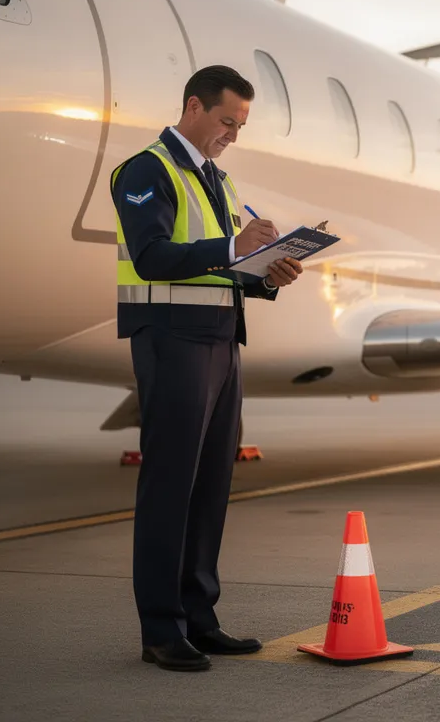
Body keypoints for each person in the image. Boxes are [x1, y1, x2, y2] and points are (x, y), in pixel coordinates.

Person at [110, 64, 303, 672]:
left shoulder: (219, 180)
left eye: (241, 125)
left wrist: (268, 271)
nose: (232, 134)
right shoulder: (145, 170)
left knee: (210, 489)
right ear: (193, 107)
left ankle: (200, 619)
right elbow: (151, 257)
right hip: (170, 340)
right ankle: (161, 631)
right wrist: (235, 248)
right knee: (170, 486)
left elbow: (223, 266)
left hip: (221, 341)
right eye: (227, 121)